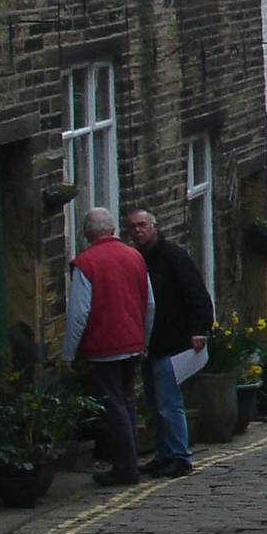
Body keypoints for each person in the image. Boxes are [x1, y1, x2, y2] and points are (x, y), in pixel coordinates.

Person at [61, 206, 154, 487]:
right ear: (113, 230)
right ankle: (129, 462)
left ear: (87, 233)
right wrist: (143, 341)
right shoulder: (135, 257)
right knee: (126, 404)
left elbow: (79, 313)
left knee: (114, 409)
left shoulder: (86, 264)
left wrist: (67, 355)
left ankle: (125, 468)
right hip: (131, 344)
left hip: (103, 349)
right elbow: (149, 304)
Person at [127, 207, 214, 477]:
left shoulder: (174, 258)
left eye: (142, 225)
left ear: (155, 226)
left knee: (168, 403)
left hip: (173, 343)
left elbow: (197, 293)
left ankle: (178, 456)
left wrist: (200, 328)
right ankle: (164, 454)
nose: (137, 231)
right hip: (150, 344)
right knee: (155, 404)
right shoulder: (138, 260)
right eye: (133, 227)